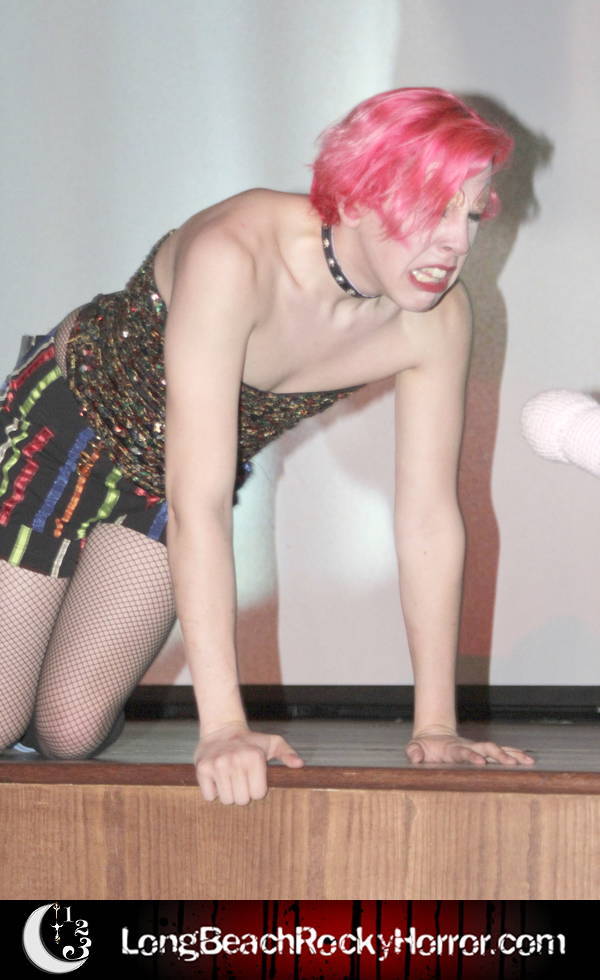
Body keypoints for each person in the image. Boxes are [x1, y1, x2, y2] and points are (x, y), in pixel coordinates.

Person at [0, 87, 534, 805]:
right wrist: (224, 727)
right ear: (355, 199)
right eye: (432, 210)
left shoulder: (437, 319)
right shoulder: (237, 254)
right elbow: (199, 503)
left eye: (470, 214)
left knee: (69, 731)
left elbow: (429, 519)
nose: (456, 244)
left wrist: (437, 725)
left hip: (159, 485)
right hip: (63, 432)